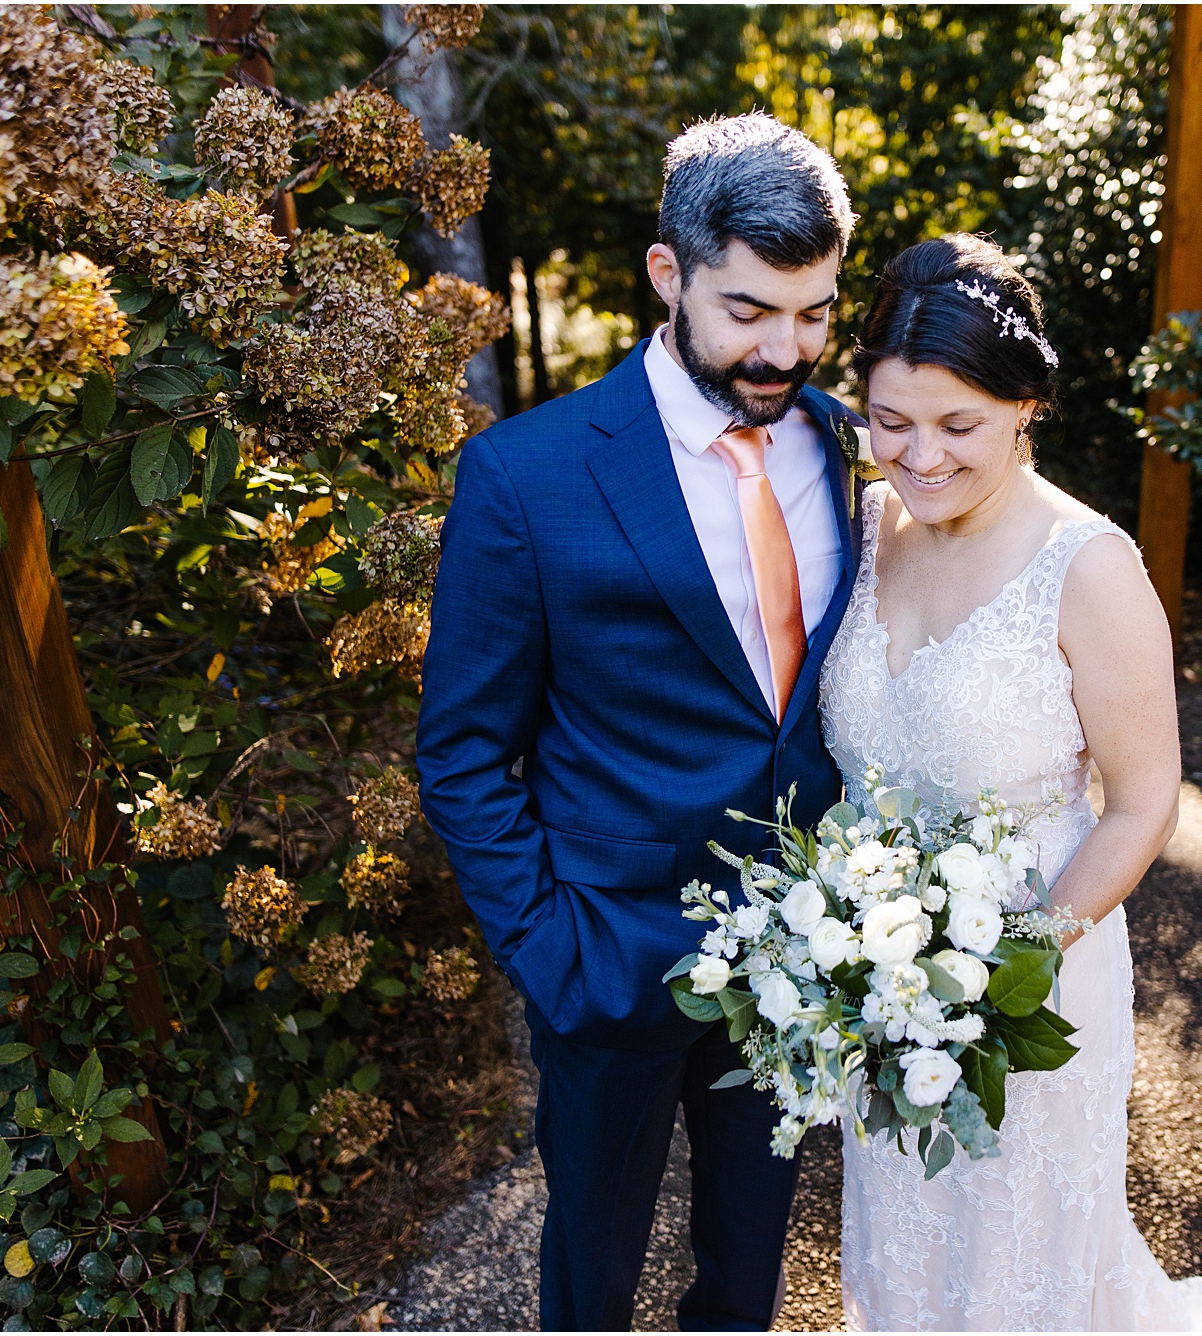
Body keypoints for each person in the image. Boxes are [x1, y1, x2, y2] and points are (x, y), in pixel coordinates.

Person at [819, 233, 1202, 1332]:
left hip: (1033, 977)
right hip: (871, 973)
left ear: (1026, 408)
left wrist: (1005, 966)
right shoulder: (863, 521)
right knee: (904, 1227)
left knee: (1014, 1258)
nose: (918, 456)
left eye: (957, 425)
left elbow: (1141, 802)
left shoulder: (1089, 568)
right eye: (889, 420)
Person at [415, 112, 866, 1331]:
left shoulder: (842, 449)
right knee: (591, 1268)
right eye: (749, 311)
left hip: (797, 960)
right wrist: (553, 954)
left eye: (814, 313)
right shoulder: (526, 473)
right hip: (605, 959)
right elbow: (459, 751)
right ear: (666, 273)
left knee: (747, 1264)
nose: (785, 350)